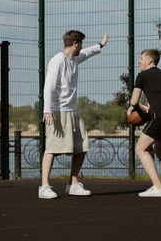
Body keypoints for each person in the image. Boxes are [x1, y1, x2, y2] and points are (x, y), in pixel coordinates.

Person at [38, 30, 109, 199]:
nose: (82, 47)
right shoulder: (57, 61)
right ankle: (44, 187)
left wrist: (100, 45)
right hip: (58, 111)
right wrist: (47, 110)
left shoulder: (74, 59)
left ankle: (73, 184)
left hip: (73, 111)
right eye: (81, 44)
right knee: (52, 149)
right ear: (75, 43)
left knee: (82, 147)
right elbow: (49, 87)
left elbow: (87, 53)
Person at [127, 49, 161, 197]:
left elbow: (133, 101)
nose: (139, 61)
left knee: (140, 149)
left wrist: (135, 108)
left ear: (149, 61)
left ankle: (157, 187)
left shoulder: (142, 75)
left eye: (141, 58)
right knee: (159, 148)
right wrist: (149, 108)